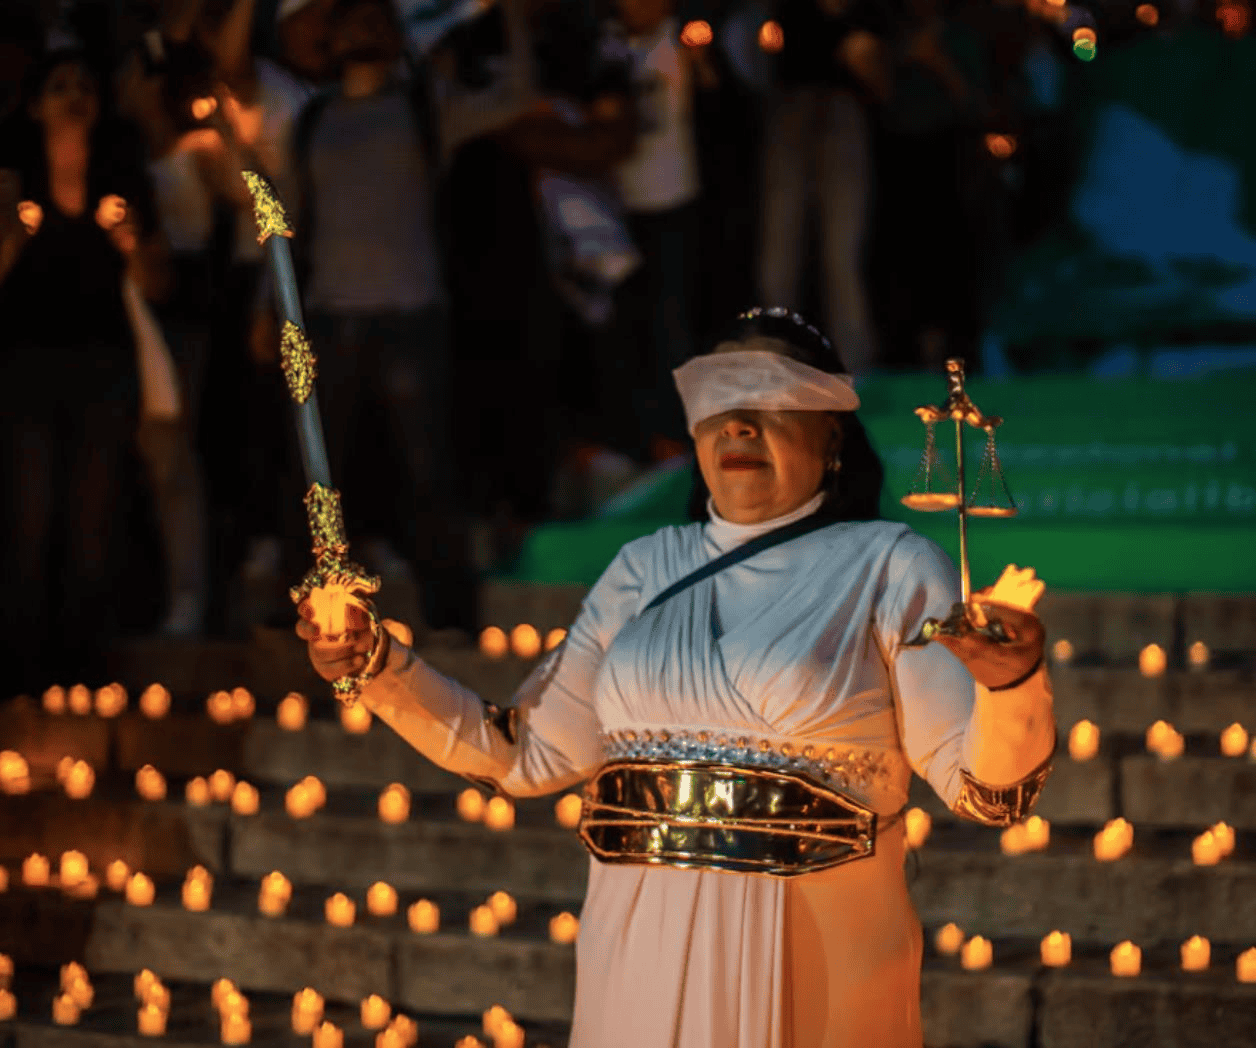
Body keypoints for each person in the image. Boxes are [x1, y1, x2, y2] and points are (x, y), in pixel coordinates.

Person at [297, 306, 1057, 1048]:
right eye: (719, 402)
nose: (738, 423)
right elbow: (525, 755)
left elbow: (985, 790)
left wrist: (1011, 685)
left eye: (769, 399)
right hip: (637, 944)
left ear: (832, 433)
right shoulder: (644, 566)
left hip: (813, 957)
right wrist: (376, 665)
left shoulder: (889, 565)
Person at [0, 48, 166, 692]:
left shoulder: (122, 177)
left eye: (86, 85)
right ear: (37, 103)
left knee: (93, 515)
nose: (75, 96)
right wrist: (11, 237)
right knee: (28, 515)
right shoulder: (13, 176)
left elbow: (157, 282)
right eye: (60, 84)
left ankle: (83, 669)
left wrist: (129, 242)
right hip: (25, 367)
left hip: (104, 364)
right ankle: (21, 672)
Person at [759, 0, 893, 376]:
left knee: (842, 255)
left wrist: (861, 56)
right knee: (779, 254)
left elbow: (881, 83)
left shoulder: (865, 14)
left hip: (841, 114)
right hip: (789, 110)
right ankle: (776, 361)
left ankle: (854, 368)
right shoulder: (781, 10)